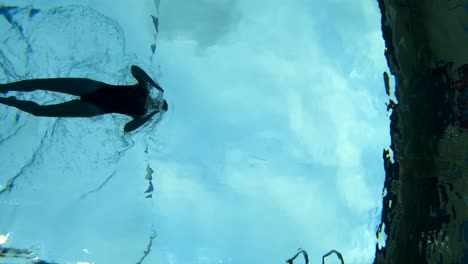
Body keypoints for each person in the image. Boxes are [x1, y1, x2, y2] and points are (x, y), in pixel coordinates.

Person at [0, 65, 167, 132]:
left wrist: (152, 115)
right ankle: (4, 88)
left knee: (39, 112)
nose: (156, 104)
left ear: (157, 109)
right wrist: (156, 85)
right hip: (95, 87)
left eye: (158, 107)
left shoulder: (142, 114)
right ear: (157, 97)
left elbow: (127, 129)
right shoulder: (145, 88)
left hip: (95, 108)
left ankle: (7, 100)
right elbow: (134, 68)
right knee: (40, 83)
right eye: (158, 101)